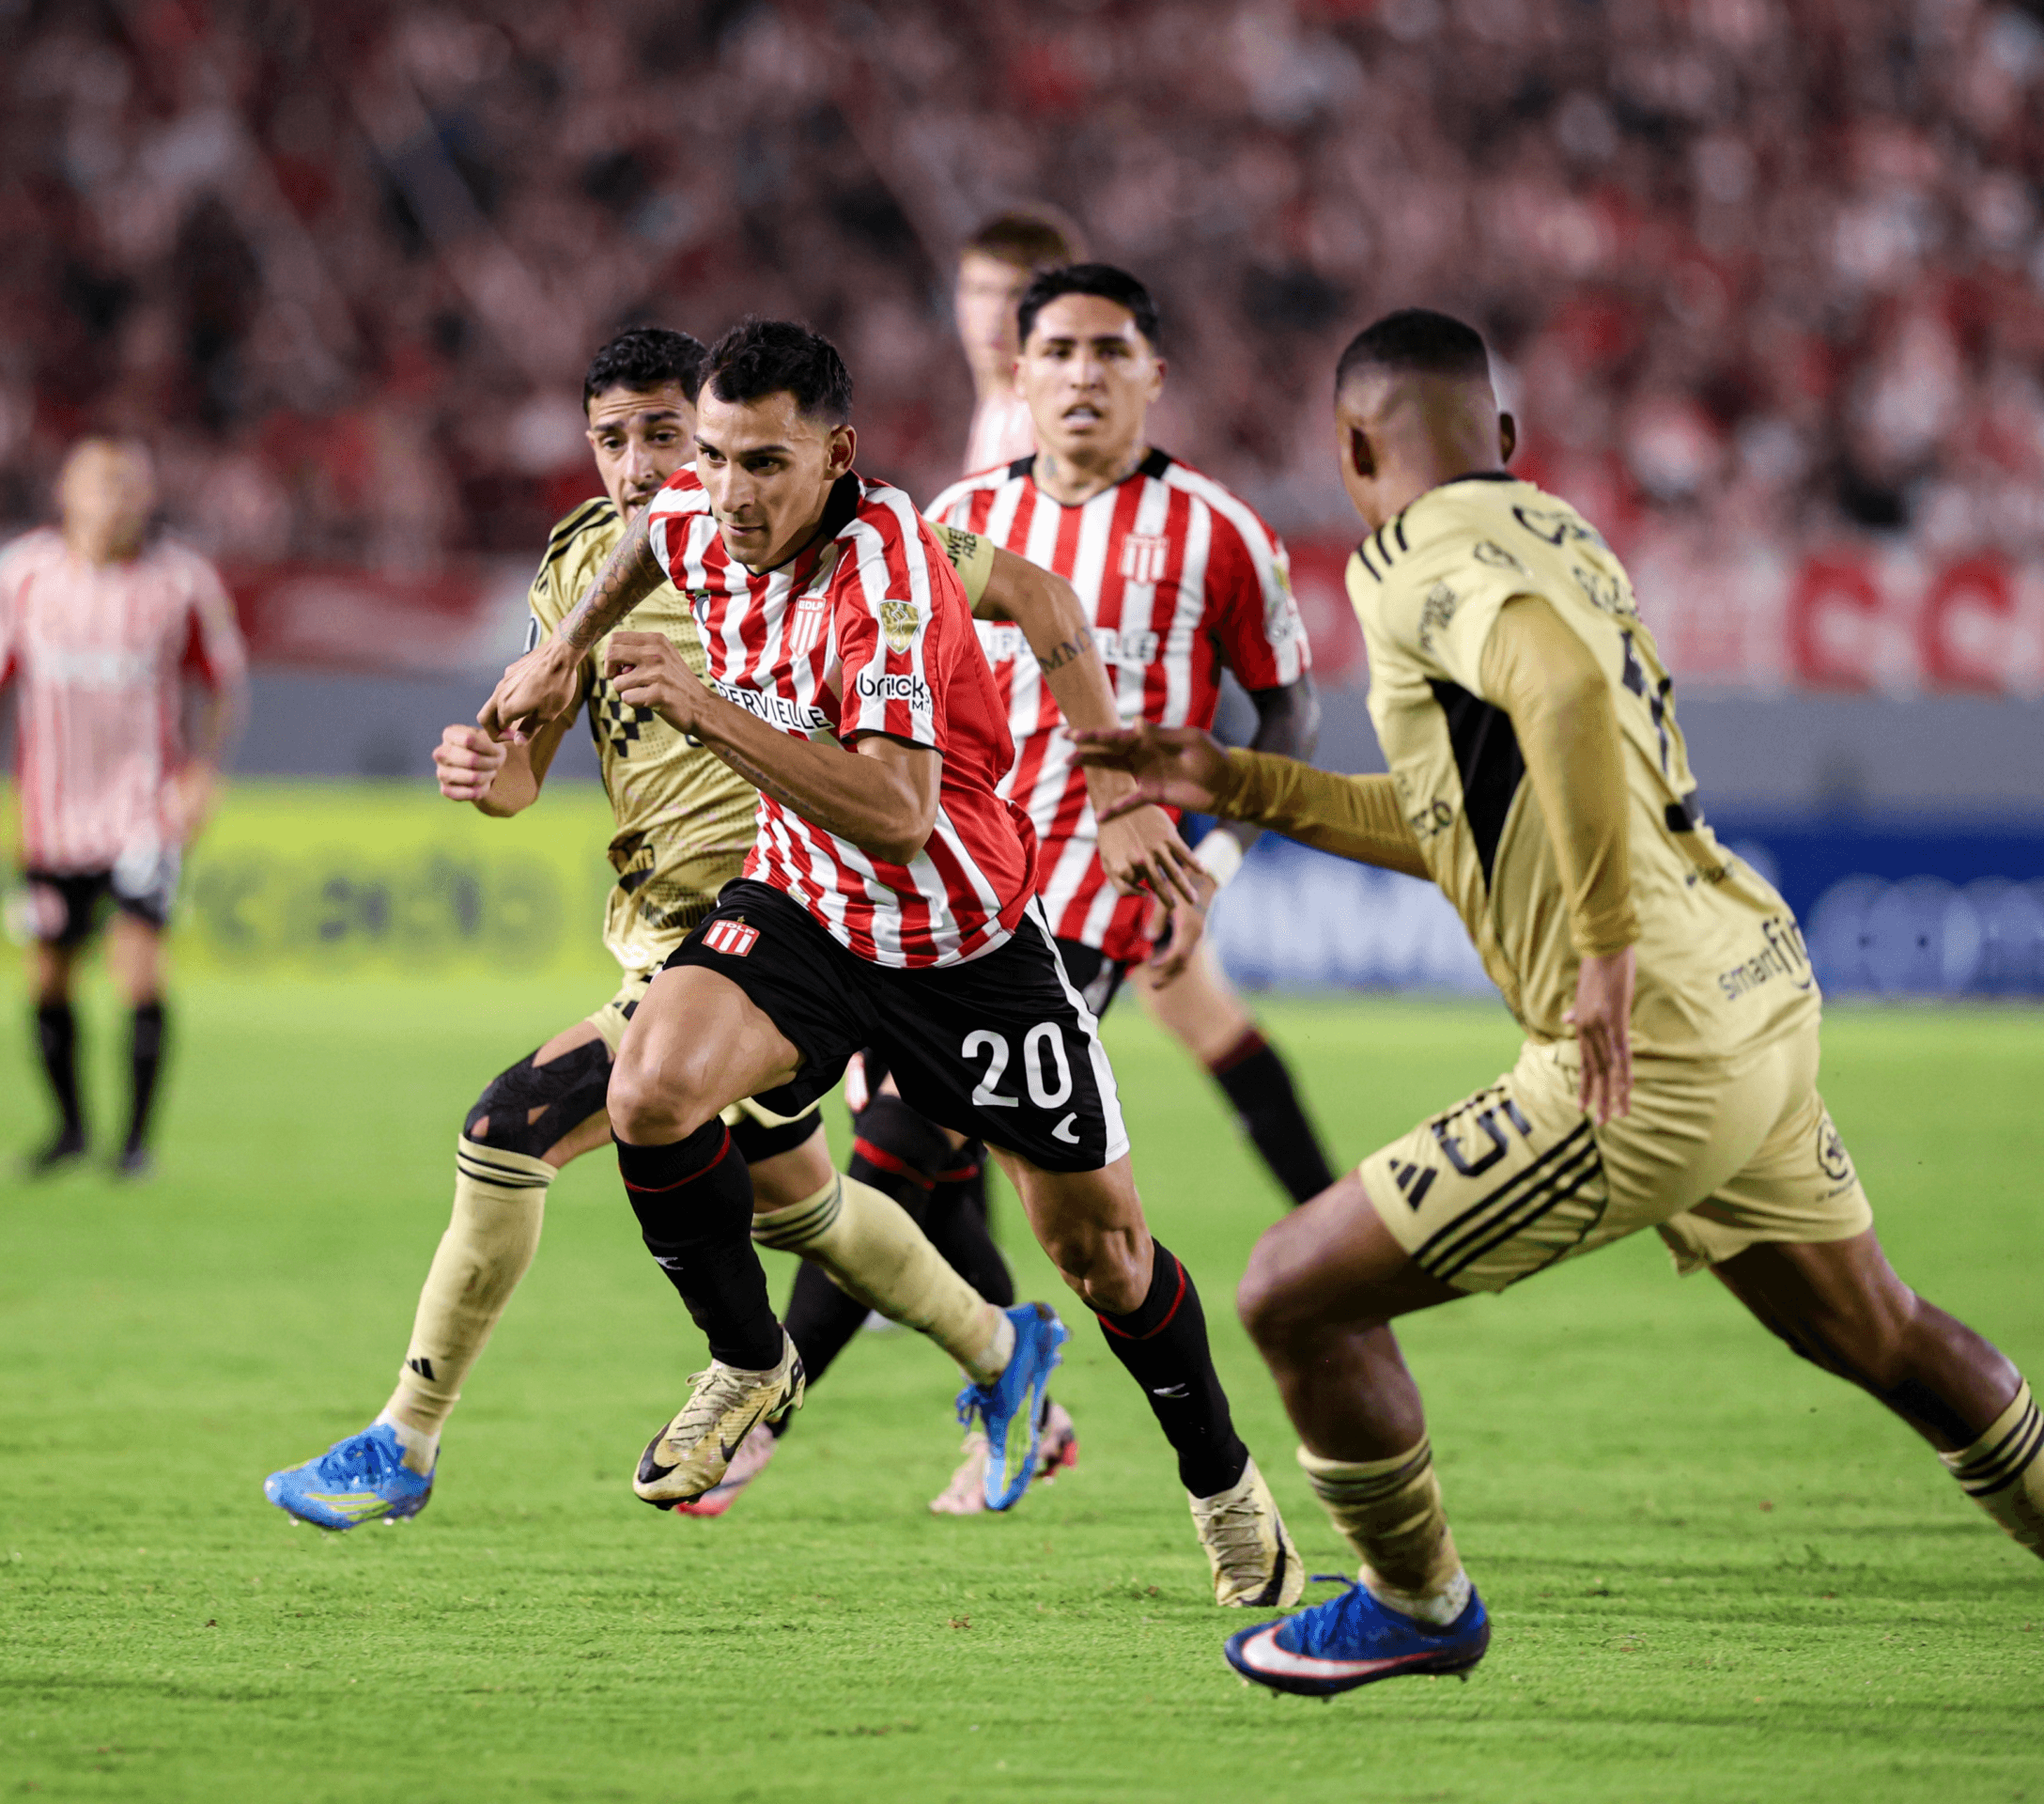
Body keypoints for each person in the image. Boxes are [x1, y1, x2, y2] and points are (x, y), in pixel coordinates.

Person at [1074, 307, 2042, 1694]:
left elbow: (1566, 692)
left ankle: (1414, 1604)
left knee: (1294, 1294)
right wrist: (1240, 782)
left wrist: (1597, 951)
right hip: (1755, 989)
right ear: (1509, 440)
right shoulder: (1563, 536)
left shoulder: (1412, 557)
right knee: (1878, 1331)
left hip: (1646, 1043)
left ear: (1355, 447)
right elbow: (1457, 813)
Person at [261, 328, 1138, 1531]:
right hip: (668, 939)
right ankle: (1006, 1354)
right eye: (613, 441)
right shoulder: (586, 566)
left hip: (775, 942)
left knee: (507, 1132)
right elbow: (530, 770)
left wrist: (1111, 783)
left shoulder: (848, 542)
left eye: (666, 437)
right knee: (804, 1208)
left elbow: (1030, 595)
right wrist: (487, 769)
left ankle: (403, 1439)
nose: (642, 466)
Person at [483, 319, 1302, 1607]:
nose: (728, 493)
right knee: (650, 1090)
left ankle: (1224, 1486)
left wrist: (706, 704)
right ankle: (751, 1365)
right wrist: (564, 645)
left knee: (1105, 1259)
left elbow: (899, 813)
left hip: (960, 942)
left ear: (838, 454)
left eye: (764, 464)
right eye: (713, 456)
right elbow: (651, 538)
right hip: (808, 913)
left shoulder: (895, 580)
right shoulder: (701, 510)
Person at [758, 263, 1339, 1520]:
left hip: (1095, 886)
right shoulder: (954, 520)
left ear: (1153, 373)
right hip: (943, 882)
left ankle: (765, 1398)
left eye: (1109, 351)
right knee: (978, 1172)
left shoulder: (1219, 531)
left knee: (905, 1142)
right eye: (1058, 352)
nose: (1082, 375)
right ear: (1017, 376)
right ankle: (1025, 1391)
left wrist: (1219, 865)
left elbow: (1287, 704)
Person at [0, 437, 247, 1179]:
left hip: (142, 811)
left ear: (148, 496)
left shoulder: (180, 582)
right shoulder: (23, 575)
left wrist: (204, 773)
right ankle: (71, 1130)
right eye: (100, 484)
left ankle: (136, 1146)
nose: (115, 500)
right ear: (65, 491)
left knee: (140, 971)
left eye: (129, 485)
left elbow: (223, 681)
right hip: (51, 815)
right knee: (47, 975)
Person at [954, 209, 1085, 477]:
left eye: (1016, 293)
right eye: (980, 291)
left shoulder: (1045, 419)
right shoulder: (998, 411)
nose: (996, 314)